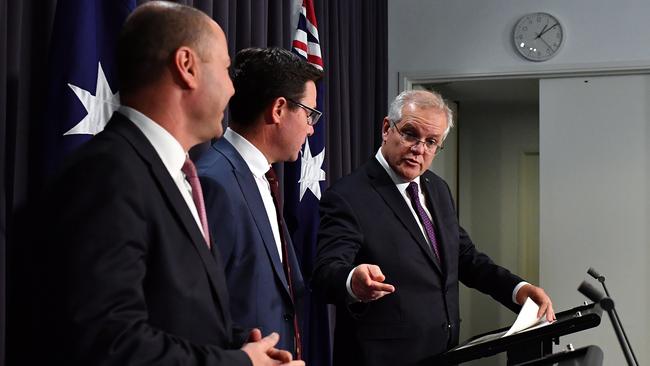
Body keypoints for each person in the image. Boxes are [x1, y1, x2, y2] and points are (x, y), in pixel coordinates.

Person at [30, 3, 303, 366]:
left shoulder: (176, 175)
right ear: (186, 66)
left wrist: (240, 345)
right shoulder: (108, 175)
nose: (232, 90)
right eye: (224, 70)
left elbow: (177, 311)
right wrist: (240, 363)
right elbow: (109, 343)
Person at [312, 90, 555, 366]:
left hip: (442, 354)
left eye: (431, 142)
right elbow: (325, 273)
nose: (419, 149)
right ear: (386, 129)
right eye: (410, 134)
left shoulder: (437, 188)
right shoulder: (349, 195)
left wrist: (518, 289)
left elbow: (465, 258)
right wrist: (352, 280)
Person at [196, 47, 323, 359]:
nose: (311, 128)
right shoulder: (214, 182)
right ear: (278, 109)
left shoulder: (262, 177)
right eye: (309, 114)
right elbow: (202, 307)